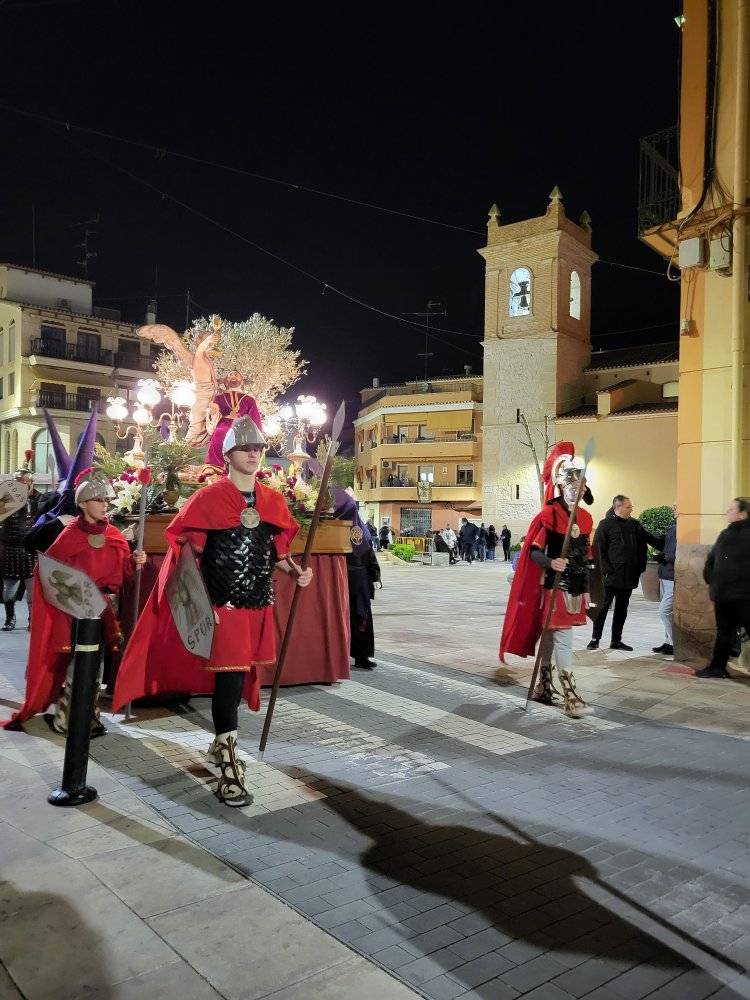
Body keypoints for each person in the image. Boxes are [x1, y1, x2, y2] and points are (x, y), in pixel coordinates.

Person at [113, 416, 312, 807]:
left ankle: (222, 742)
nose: (254, 454)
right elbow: (187, 556)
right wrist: (201, 605)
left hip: (258, 604)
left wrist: (295, 571)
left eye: (258, 448)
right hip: (223, 607)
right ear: (228, 455)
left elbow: (277, 553)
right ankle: (229, 763)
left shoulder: (272, 501)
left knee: (236, 681)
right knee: (229, 681)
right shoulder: (207, 499)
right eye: (245, 448)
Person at [3, 472, 146, 734]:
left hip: (104, 609)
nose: (104, 504)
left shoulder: (115, 535)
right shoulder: (68, 535)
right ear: (82, 503)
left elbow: (122, 575)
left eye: (106, 500)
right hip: (74, 609)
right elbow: (51, 573)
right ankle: (66, 717)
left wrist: (135, 563)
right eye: (98, 499)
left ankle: (88, 714)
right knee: (76, 664)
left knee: (98, 665)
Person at [500, 442, 593, 717]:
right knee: (563, 639)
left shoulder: (586, 518)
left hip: (574, 588)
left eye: (581, 488)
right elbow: (534, 550)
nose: (577, 491)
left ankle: (543, 686)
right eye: (572, 487)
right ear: (563, 488)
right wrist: (551, 561)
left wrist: (587, 587)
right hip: (552, 586)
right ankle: (571, 696)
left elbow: (584, 555)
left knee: (552, 640)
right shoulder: (548, 515)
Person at [587, 495, 664, 651]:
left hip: (629, 575)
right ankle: (595, 639)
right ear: (618, 507)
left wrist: (670, 541)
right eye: (629, 507)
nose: (631, 509)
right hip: (610, 576)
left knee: (622, 610)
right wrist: (606, 570)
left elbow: (651, 540)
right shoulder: (605, 525)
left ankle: (616, 641)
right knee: (602, 608)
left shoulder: (635, 525)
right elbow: (598, 550)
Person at [696, 497, 750, 679]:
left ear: (743, 513)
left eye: (731, 509)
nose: (728, 511)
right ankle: (718, 667)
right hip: (724, 595)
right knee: (724, 632)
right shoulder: (726, 534)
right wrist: (712, 579)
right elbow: (712, 560)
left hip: (744, 596)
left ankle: (718, 666)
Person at [0, 460, 56, 631]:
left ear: (31, 484)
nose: (23, 486)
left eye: (26, 482)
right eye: (19, 483)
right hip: (10, 550)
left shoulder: (38, 501)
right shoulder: (5, 502)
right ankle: (10, 619)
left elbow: (53, 504)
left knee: (32, 592)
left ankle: (33, 619)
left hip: (29, 552)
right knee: (9, 590)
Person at [336, 489, 381, 670]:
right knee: (344, 618)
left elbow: (369, 553)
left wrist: (375, 576)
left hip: (360, 579)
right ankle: (342, 656)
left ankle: (362, 656)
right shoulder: (337, 529)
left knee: (362, 617)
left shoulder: (363, 530)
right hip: (344, 577)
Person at [653, 505, 677, 656]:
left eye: (676, 506)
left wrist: (665, 557)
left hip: (672, 575)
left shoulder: (682, 528)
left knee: (664, 611)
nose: (673, 508)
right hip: (664, 574)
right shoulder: (673, 527)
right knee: (667, 611)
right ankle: (668, 643)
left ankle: (675, 643)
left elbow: (680, 553)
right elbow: (665, 546)